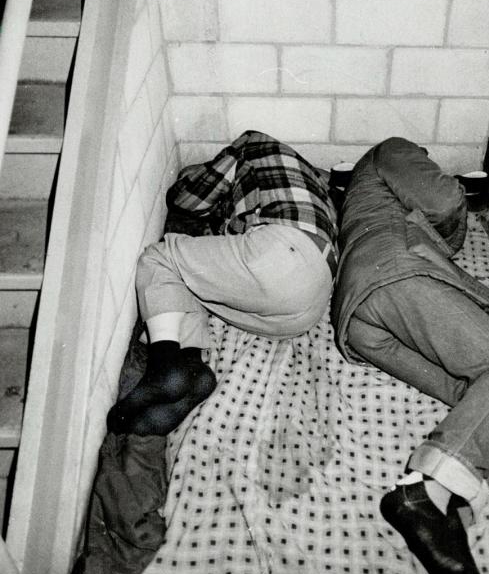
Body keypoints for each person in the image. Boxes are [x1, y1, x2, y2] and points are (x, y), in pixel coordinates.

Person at [331, 137, 489, 574]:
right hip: (393, 278)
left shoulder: (358, 199)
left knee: (481, 397)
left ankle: (445, 516)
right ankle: (422, 494)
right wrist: (455, 216)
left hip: (360, 323)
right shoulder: (392, 148)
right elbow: (446, 200)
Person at [107, 130, 338, 436]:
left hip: (284, 252)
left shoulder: (253, 144)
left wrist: (195, 177)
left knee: (160, 258)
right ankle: (189, 365)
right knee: (189, 281)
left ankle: (161, 365)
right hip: (306, 310)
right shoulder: (314, 184)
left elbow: (187, 198)